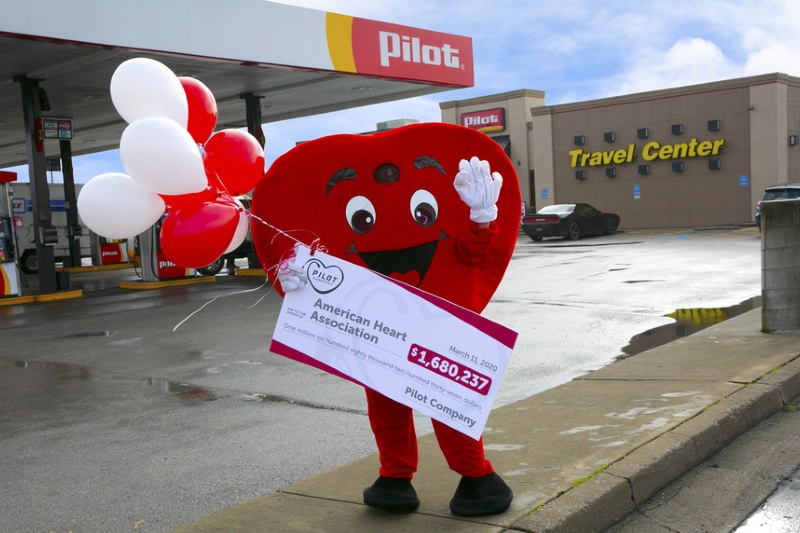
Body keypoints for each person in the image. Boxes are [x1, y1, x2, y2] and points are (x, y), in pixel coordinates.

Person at [251, 123, 521, 516]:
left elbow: (471, 252)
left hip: (437, 327)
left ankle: (476, 475)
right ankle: (395, 476)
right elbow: (333, 263)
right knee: (385, 402)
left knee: (450, 401)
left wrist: (482, 217)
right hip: (379, 328)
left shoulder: (450, 236)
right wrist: (295, 272)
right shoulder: (345, 245)